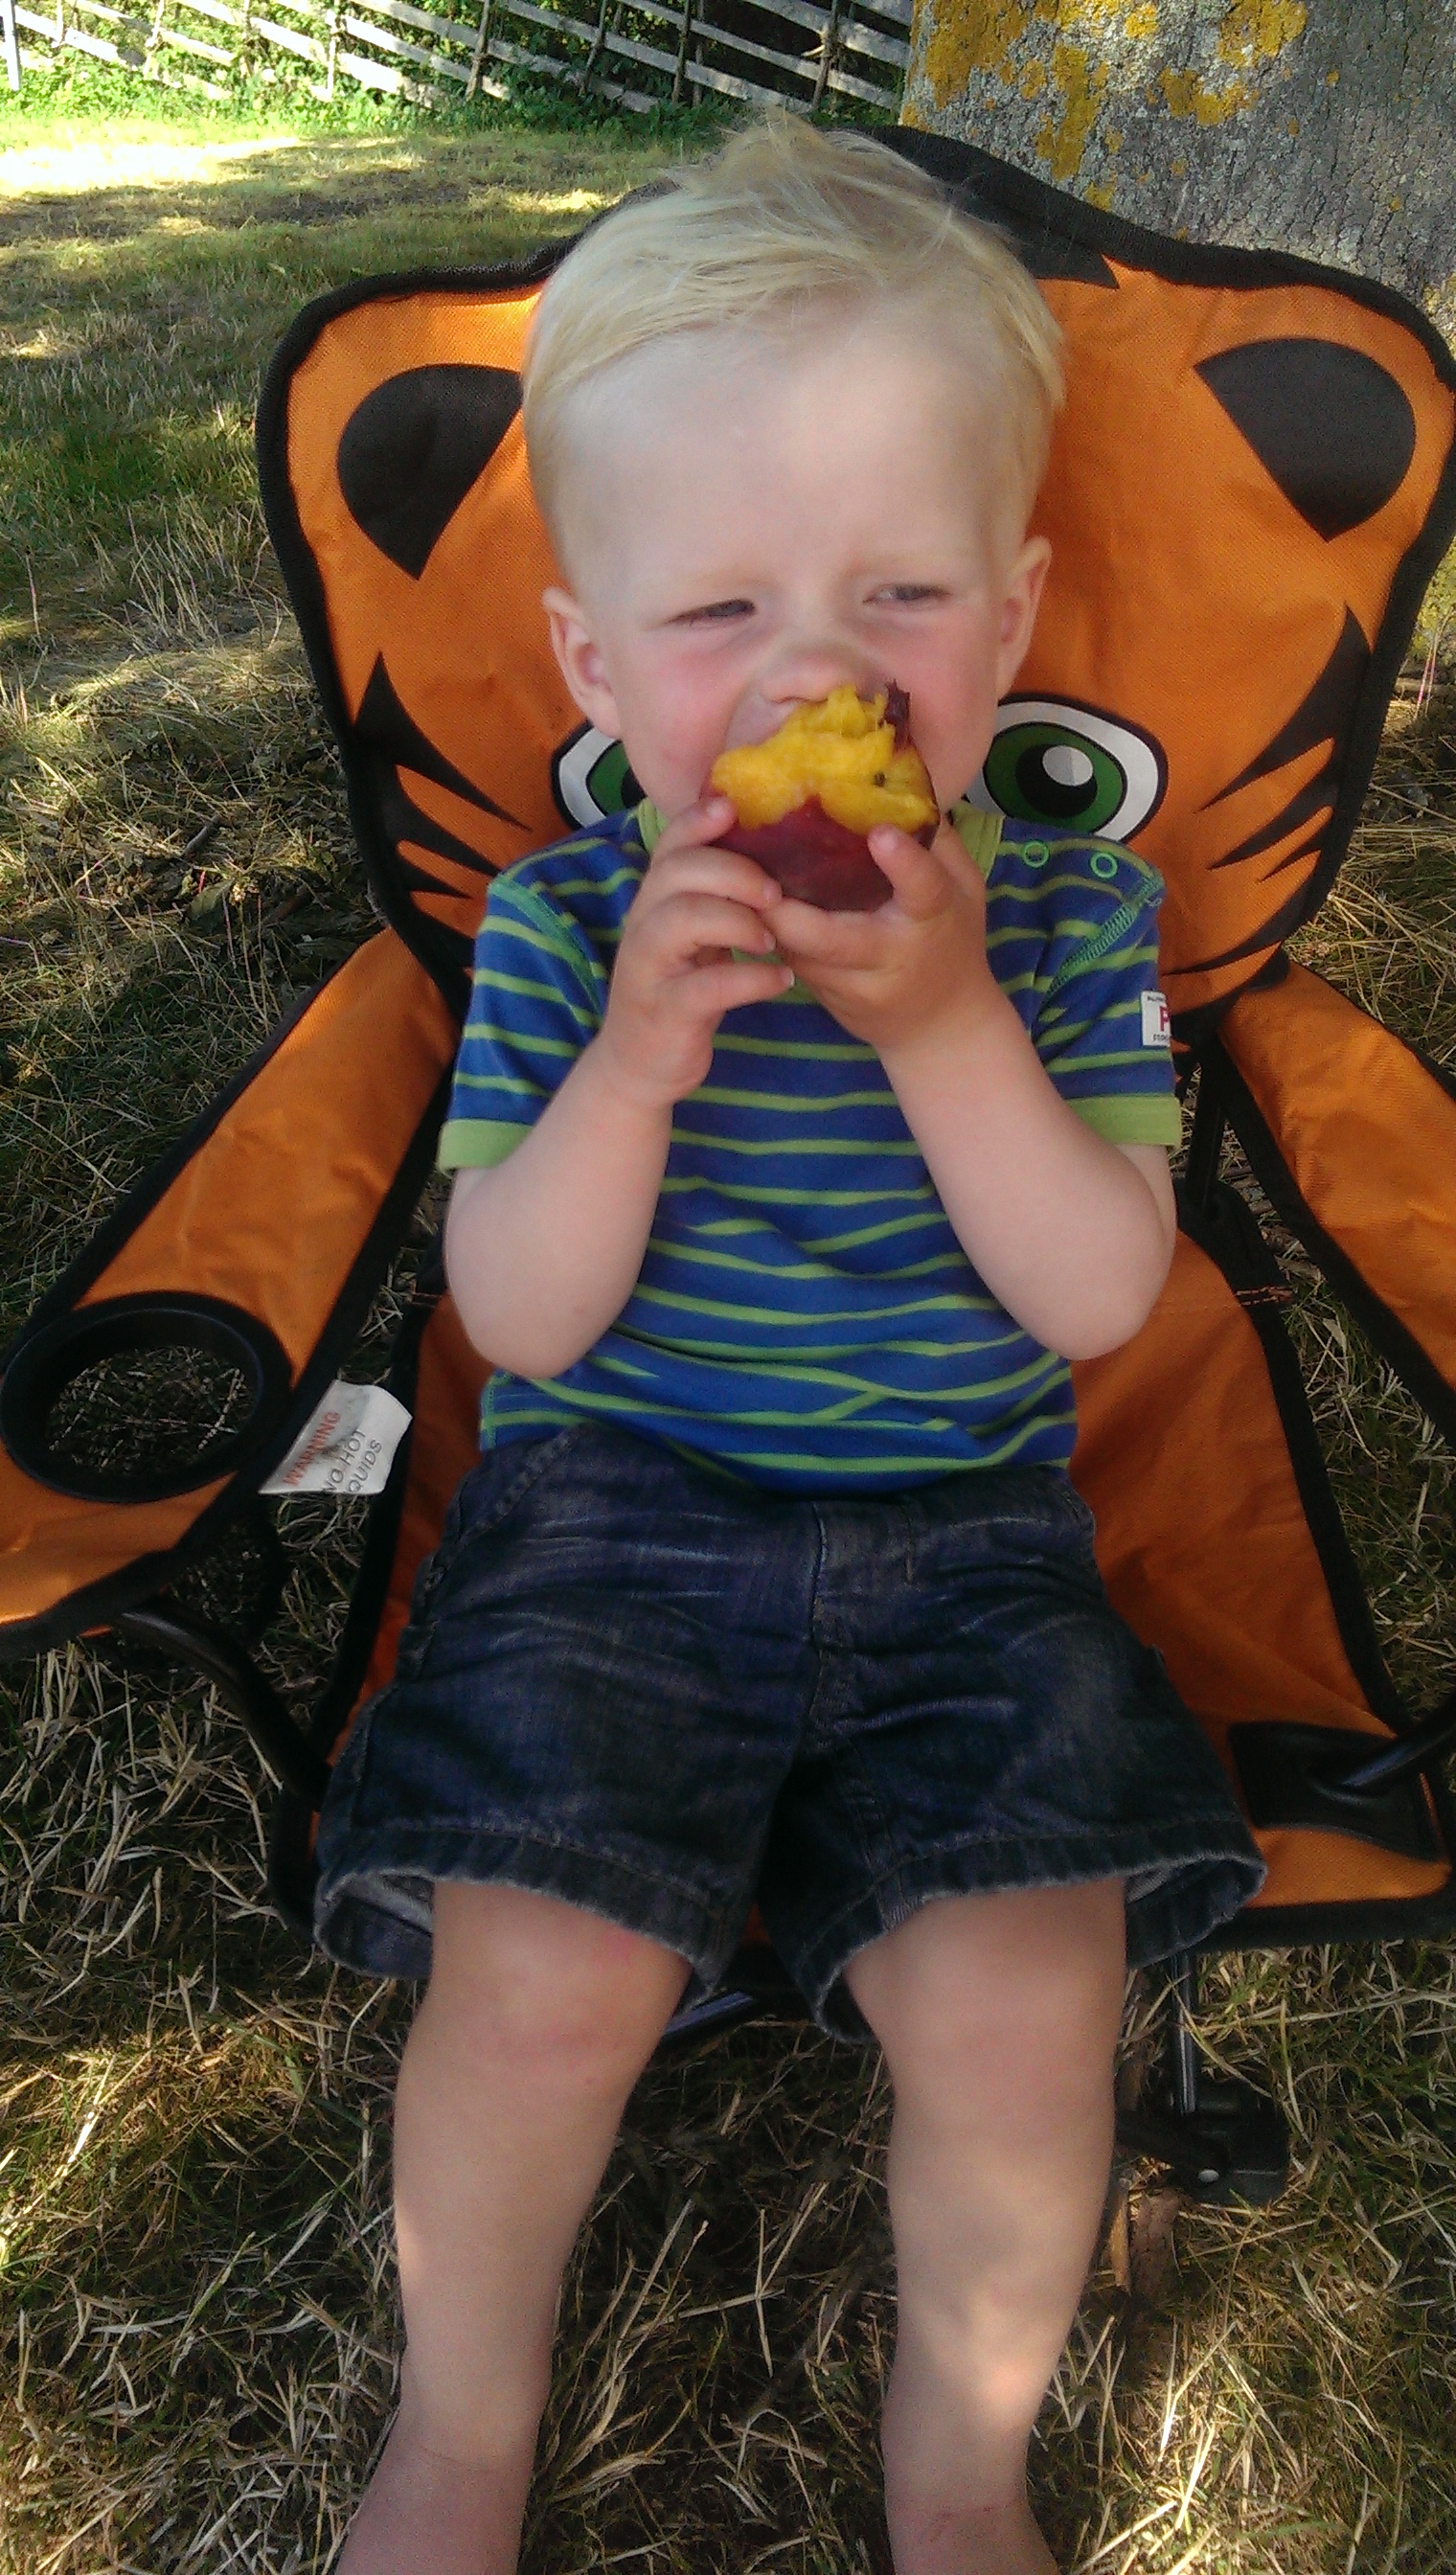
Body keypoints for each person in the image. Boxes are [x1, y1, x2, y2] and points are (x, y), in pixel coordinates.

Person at [315, 117, 1264, 2575]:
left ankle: (958, 2471)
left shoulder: (1062, 926)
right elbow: (520, 1314)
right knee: (540, 1978)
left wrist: (947, 1031)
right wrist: (633, 1064)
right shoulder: (564, 929)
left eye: (900, 594)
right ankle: (459, 2435)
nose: (818, 675)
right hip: (609, 1530)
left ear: (1014, 614)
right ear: (593, 666)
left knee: (1028, 1998)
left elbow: (1096, 1295)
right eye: (721, 609)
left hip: (968, 1550)